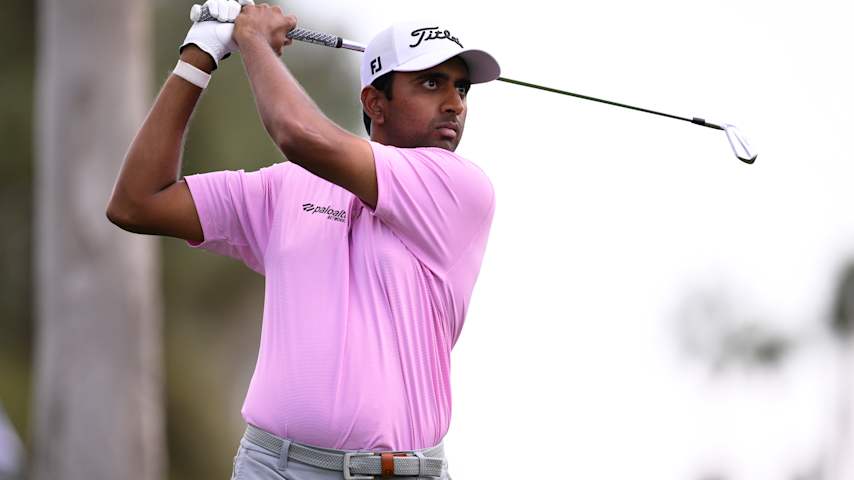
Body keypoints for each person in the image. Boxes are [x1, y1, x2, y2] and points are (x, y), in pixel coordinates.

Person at [106, 0, 501, 478]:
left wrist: (253, 41)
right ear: (376, 103)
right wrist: (199, 56)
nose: (455, 103)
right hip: (274, 468)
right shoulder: (284, 188)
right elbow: (136, 202)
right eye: (431, 82)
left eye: (461, 87)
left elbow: (296, 132)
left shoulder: (458, 188)